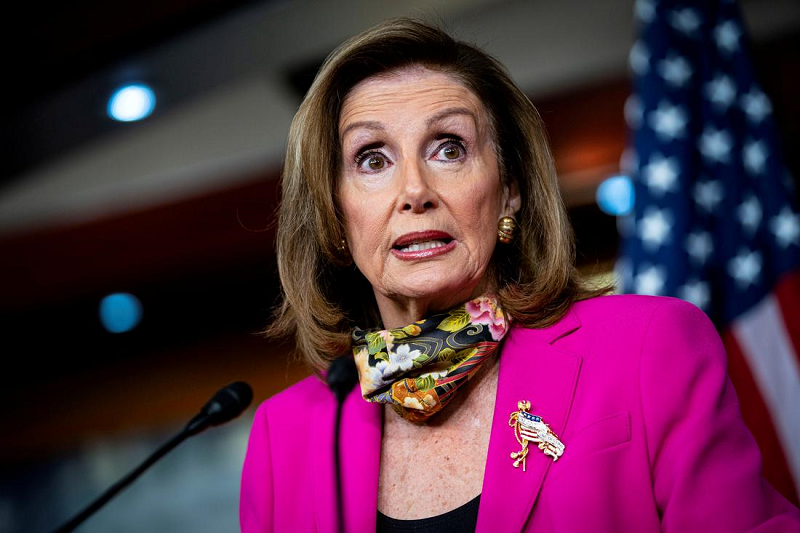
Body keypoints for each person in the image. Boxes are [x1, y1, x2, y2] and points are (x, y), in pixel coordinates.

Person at [240, 18, 800, 532]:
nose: (414, 192)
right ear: (335, 216)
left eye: (448, 148)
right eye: (372, 159)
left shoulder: (648, 346)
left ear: (509, 192)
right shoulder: (282, 436)